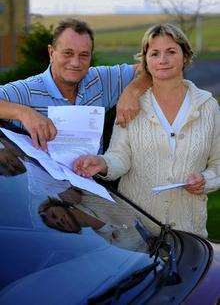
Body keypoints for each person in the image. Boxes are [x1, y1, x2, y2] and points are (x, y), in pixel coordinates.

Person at [73, 23, 220, 238]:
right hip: (134, 231)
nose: (163, 60)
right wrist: (103, 164)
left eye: (171, 51)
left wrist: (205, 180)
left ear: (185, 56)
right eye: (155, 54)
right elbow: (120, 156)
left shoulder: (208, 106)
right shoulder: (130, 104)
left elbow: (218, 164)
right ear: (145, 60)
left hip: (189, 232)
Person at [0, 18, 150, 151]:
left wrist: (132, 91)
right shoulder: (28, 90)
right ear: (51, 53)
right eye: (68, 53)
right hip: (44, 183)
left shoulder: (100, 80)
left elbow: (153, 67)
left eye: (84, 55)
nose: (75, 63)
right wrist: (25, 114)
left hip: (93, 181)